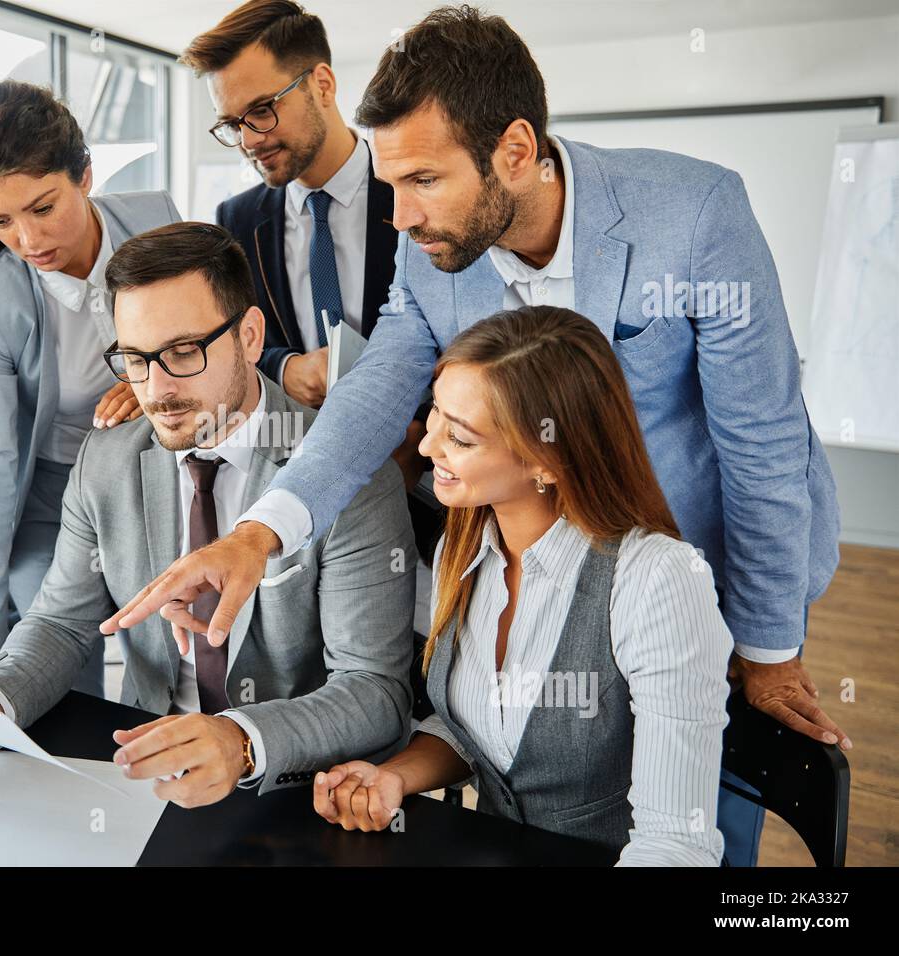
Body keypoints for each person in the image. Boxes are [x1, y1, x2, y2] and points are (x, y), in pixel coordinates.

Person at [104, 4, 847, 865]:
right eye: (391, 185)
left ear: (517, 152)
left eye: (423, 181)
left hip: (695, 564)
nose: (401, 218)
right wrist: (259, 532)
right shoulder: (436, 249)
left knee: (692, 815)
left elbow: (761, 443)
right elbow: (374, 393)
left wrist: (765, 649)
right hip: (538, 568)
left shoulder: (694, 214)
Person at [0, 222, 416, 807]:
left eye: (183, 352)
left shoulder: (349, 474)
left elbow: (375, 691)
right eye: (135, 359)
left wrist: (241, 741)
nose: (156, 389)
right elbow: (60, 625)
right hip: (143, 778)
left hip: (299, 790)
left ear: (249, 335)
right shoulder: (108, 457)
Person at [313, 306, 732, 866]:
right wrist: (396, 777)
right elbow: (486, 727)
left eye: (459, 438)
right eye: (434, 415)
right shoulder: (461, 549)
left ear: (547, 461)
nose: (426, 447)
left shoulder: (658, 581)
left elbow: (675, 843)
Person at [0, 81, 180, 699]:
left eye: (43, 207)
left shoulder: (157, 221)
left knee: (166, 665)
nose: (27, 240)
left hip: (164, 480)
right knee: (55, 672)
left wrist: (154, 382)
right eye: (0, 220)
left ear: (86, 176)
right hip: (53, 497)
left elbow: (213, 349)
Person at [182, 0, 441, 565]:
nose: (249, 139)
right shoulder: (237, 220)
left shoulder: (416, 195)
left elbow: (462, 334)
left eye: (261, 110)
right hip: (294, 493)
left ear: (322, 83)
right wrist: (282, 366)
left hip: (429, 487)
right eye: (232, 124)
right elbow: (230, 345)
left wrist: (420, 439)